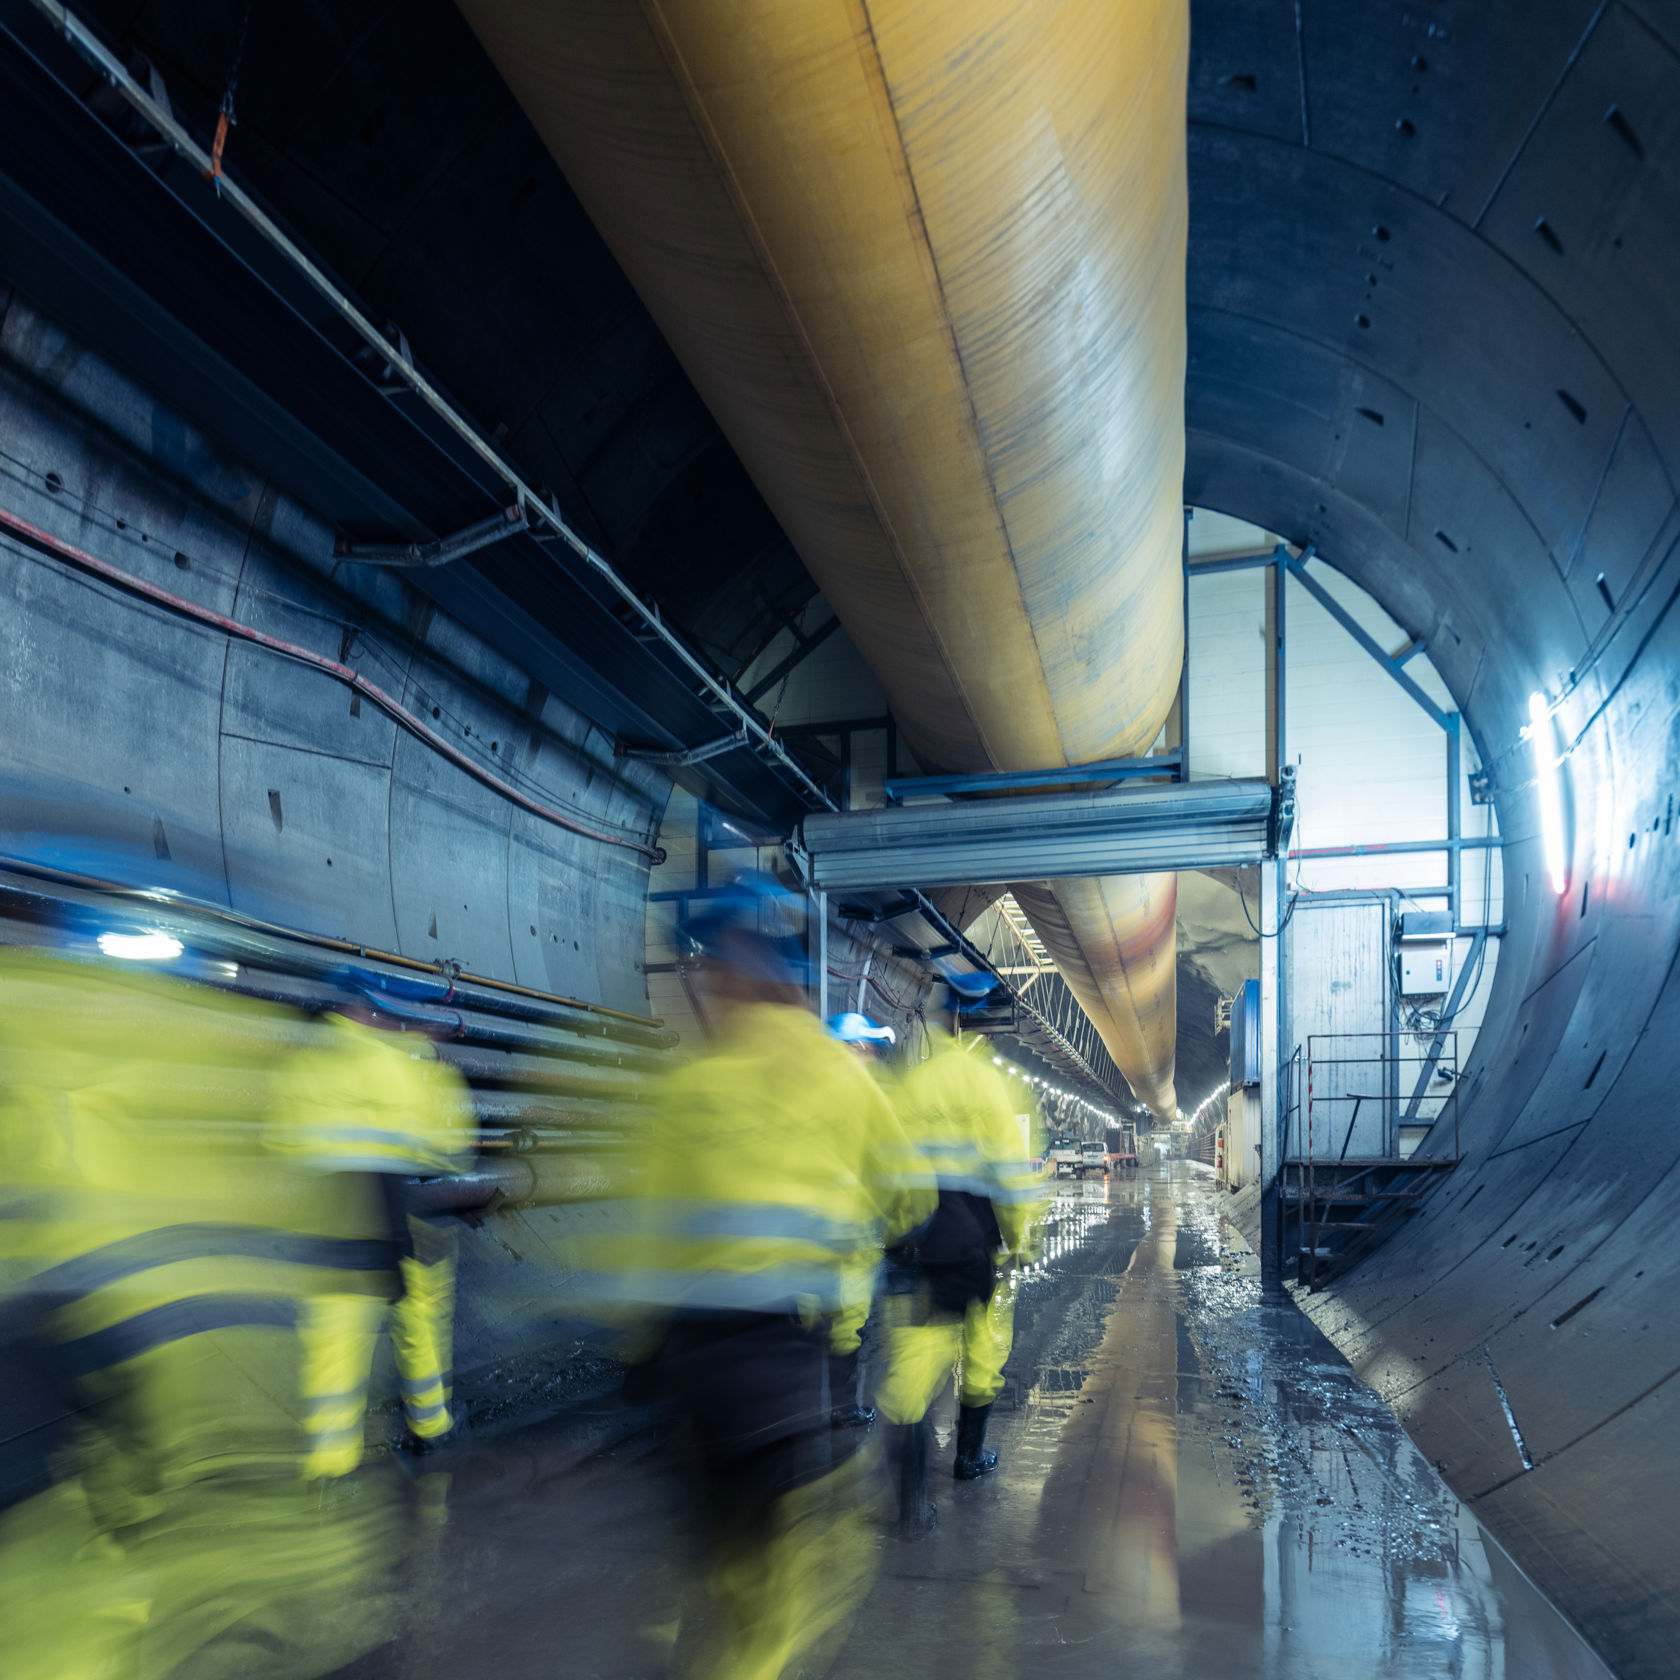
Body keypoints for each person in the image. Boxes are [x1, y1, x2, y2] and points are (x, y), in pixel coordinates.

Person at [623, 875, 930, 1680]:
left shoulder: (691, 1088)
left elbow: (651, 1234)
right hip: (789, 1359)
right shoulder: (842, 1076)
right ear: (787, 979)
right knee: (792, 1569)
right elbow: (909, 1199)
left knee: (725, 1554)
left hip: (699, 1364)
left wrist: (638, 1350)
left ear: (729, 980)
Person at [874, 972, 1044, 1536]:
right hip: (975, 1249)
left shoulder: (914, 1085)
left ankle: (910, 1502)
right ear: (977, 1022)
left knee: (917, 1364)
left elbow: (890, 1168)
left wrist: (899, 1235)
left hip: (921, 1249)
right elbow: (1010, 1179)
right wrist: (1020, 1241)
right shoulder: (990, 1088)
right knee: (985, 1350)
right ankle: (968, 1458)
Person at [824, 1012, 902, 1430]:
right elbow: (891, 1160)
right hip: (846, 1227)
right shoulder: (864, 1091)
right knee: (846, 1322)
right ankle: (842, 1407)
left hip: (794, 1226)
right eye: (869, 1049)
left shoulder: (799, 1084)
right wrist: (900, 1223)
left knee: (801, 1318)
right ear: (853, 1048)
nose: (872, 1058)